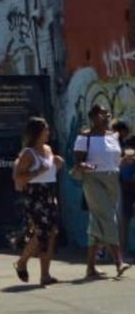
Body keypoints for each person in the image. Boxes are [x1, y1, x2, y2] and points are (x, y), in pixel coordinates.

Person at [72, 104, 129, 277]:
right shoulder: (84, 137)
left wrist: (126, 160)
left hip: (112, 179)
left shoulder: (114, 136)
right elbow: (78, 162)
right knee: (108, 218)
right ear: (94, 117)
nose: (106, 117)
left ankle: (90, 266)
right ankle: (119, 261)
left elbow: (116, 158)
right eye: (102, 114)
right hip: (93, 179)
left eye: (107, 114)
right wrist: (86, 165)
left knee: (97, 221)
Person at [13, 116, 64, 285]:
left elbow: (50, 171)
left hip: (49, 192)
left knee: (51, 234)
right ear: (37, 133)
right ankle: (22, 262)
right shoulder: (28, 153)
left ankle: (45, 274)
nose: (48, 133)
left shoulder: (48, 149)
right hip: (35, 194)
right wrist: (38, 172)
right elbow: (18, 177)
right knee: (42, 233)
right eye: (45, 130)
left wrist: (57, 164)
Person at [114, 120, 135, 255]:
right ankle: (121, 251)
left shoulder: (123, 145)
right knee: (124, 219)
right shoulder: (124, 146)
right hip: (127, 186)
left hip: (125, 185)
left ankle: (121, 251)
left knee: (124, 219)